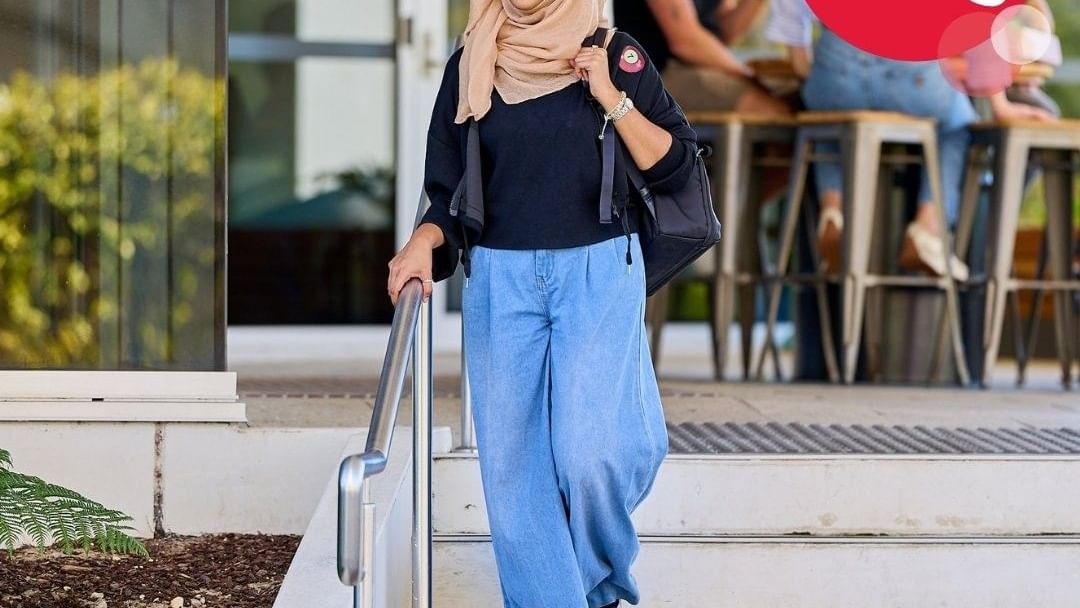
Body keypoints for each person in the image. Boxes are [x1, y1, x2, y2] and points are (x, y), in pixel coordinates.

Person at [386, 1, 698, 606]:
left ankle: (596, 584)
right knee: (513, 472)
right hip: (501, 278)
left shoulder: (614, 53)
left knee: (596, 453)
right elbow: (448, 190)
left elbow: (675, 165)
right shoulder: (472, 60)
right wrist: (423, 242)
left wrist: (611, 96)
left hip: (598, 268)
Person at [764, 0, 1053, 278]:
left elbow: (795, 40)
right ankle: (928, 230)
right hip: (911, 74)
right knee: (958, 124)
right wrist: (1000, 106)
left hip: (834, 66)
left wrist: (817, 75)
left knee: (831, 118)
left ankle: (833, 213)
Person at [615, 0, 790, 115]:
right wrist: (752, 77)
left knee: (792, 97)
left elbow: (723, 35)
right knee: (774, 111)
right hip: (652, 74)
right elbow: (685, 42)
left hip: (691, 67)